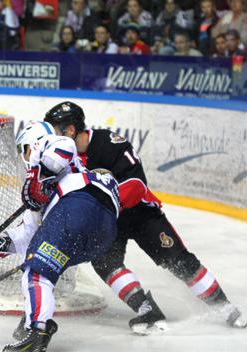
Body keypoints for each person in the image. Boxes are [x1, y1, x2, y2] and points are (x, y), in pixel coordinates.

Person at [43, 101, 246, 329]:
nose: (53, 138)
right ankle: (147, 310)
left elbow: (137, 183)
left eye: (56, 130)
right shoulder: (64, 159)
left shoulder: (109, 143)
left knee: (179, 260)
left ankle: (226, 307)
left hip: (140, 214)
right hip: (108, 223)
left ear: (70, 130)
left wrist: (105, 205)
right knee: (105, 264)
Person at [0, 121, 120, 352]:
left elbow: (63, 145)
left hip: (77, 207)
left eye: (25, 150)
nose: (24, 157)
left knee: (36, 274)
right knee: (43, 260)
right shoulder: (48, 191)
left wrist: (35, 176)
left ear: (34, 143)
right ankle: (35, 322)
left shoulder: (59, 153)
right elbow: (28, 238)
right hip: (101, 234)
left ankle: (36, 335)